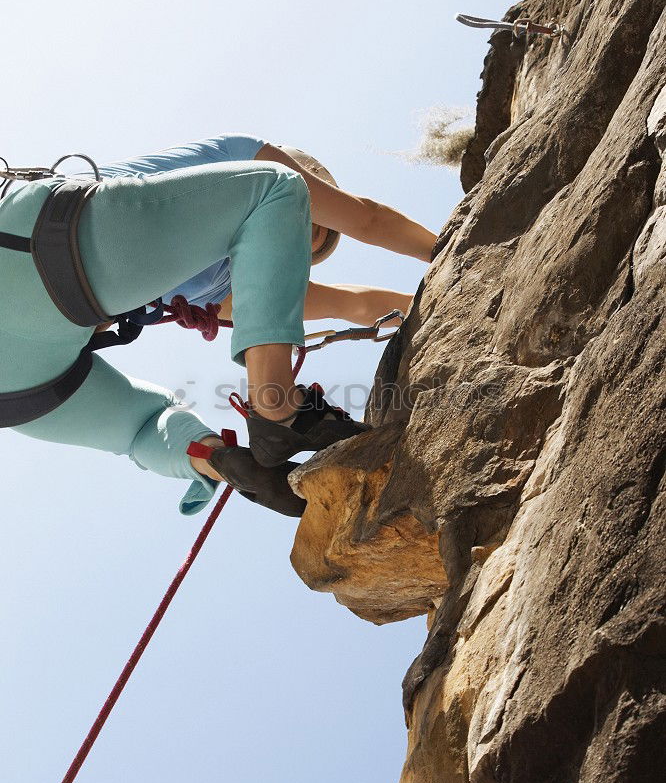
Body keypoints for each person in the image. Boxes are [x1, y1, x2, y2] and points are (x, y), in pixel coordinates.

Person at [0, 134, 435, 516]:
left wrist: (440, 300)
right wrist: (458, 250)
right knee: (275, 188)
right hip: (37, 254)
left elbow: (356, 305)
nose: (300, 228)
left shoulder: (234, 288)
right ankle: (275, 406)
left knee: (146, 423)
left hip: (22, 363)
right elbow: (365, 218)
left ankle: (223, 462)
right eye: (312, 217)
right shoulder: (239, 156)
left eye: (310, 239)